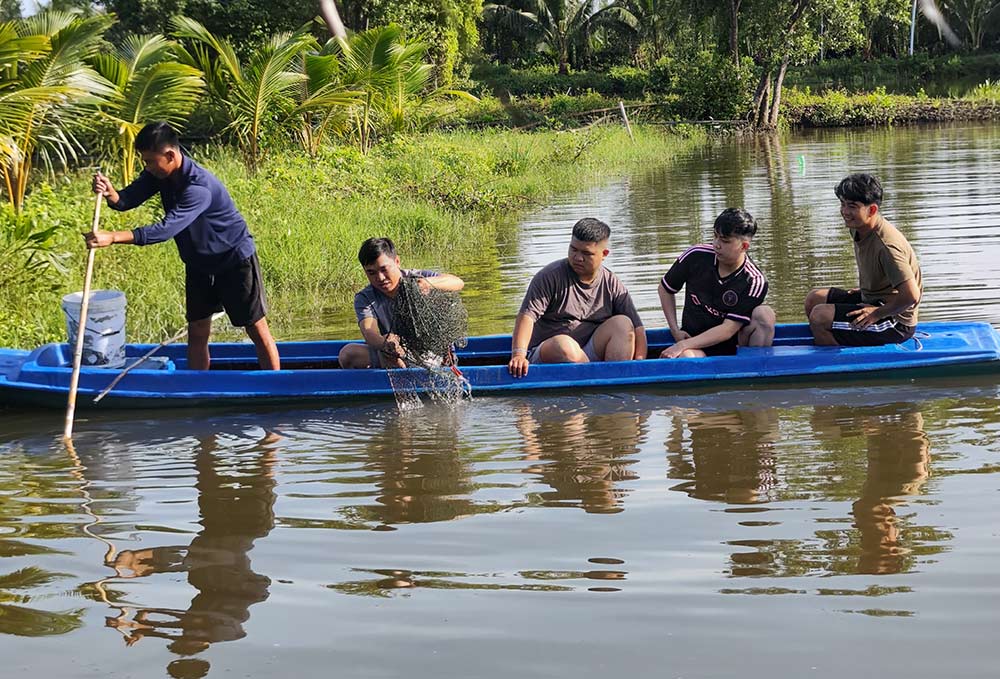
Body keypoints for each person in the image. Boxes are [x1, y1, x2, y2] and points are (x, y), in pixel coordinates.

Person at [86, 121, 280, 370]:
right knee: (198, 330)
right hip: (199, 264)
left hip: (233, 259)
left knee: (255, 327)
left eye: (149, 161)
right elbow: (127, 199)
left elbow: (166, 229)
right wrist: (111, 193)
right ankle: (198, 389)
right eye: (145, 162)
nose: (147, 167)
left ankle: (274, 382)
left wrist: (112, 237)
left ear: (170, 155)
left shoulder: (198, 187)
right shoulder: (160, 173)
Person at [508, 218, 646, 378]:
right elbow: (527, 317)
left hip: (588, 352)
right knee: (565, 345)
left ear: (604, 254)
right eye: (573, 249)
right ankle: (598, 382)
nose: (578, 258)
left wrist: (639, 364)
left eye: (587, 254)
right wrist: (518, 355)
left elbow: (637, 328)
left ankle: (616, 380)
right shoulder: (549, 276)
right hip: (551, 352)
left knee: (623, 324)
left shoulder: (611, 283)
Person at [804, 173, 922, 346]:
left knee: (820, 317)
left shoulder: (888, 247)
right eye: (842, 204)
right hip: (874, 299)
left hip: (896, 322)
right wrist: (866, 290)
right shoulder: (858, 227)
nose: (845, 212)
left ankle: (837, 364)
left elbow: (912, 295)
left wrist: (876, 314)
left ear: (872, 210)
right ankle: (833, 338)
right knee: (814, 299)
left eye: (852, 206)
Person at [658, 208, 775, 358]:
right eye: (715, 236)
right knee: (687, 358)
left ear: (744, 246)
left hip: (736, 344)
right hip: (694, 341)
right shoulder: (696, 255)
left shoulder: (754, 281)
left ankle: (751, 369)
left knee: (765, 314)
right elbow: (665, 289)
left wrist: (681, 345)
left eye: (725, 241)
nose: (716, 244)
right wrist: (675, 331)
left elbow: (728, 329)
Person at [338, 237, 464, 369]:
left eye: (384, 269)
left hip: (433, 355)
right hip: (395, 353)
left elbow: (457, 282)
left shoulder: (417, 278)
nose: (380, 278)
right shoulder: (365, 298)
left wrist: (428, 283)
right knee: (348, 354)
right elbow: (370, 333)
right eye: (371, 272)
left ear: (397, 261)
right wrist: (387, 344)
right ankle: (402, 373)